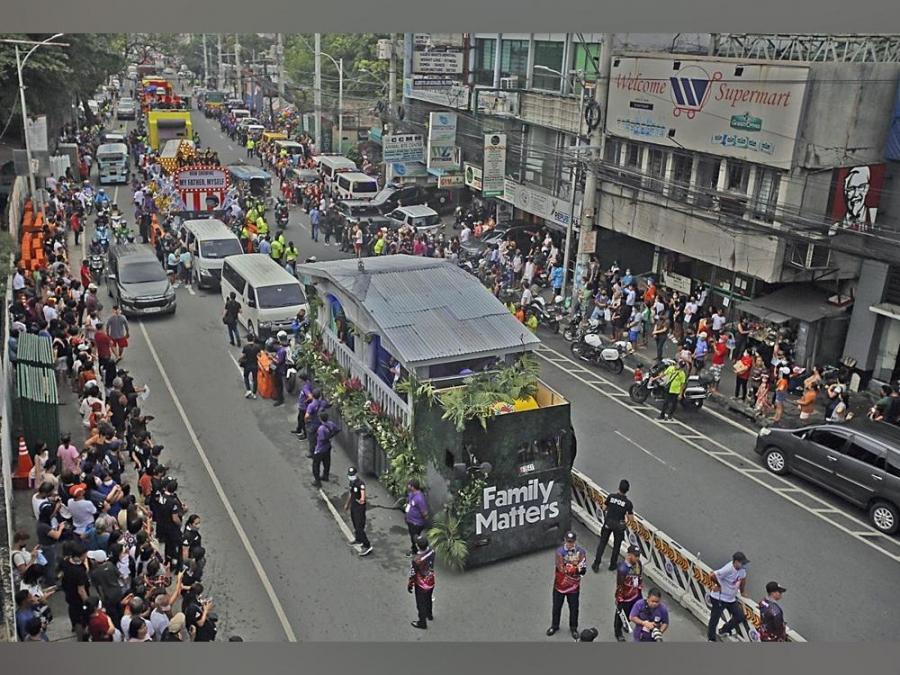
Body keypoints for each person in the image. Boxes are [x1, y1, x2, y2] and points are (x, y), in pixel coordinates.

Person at [547, 531, 587, 640]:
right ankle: (554, 626)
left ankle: (573, 628)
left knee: (574, 608)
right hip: (560, 586)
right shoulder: (559, 552)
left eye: (572, 542)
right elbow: (561, 568)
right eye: (568, 541)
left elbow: (583, 570)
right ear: (565, 540)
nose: (570, 544)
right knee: (556, 607)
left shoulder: (581, 552)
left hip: (574, 587)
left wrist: (573, 568)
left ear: (575, 541)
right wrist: (575, 568)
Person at [592, 479, 634, 572]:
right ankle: (612, 565)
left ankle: (596, 564)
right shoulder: (628, 503)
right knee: (616, 546)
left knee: (602, 543)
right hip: (619, 525)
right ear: (627, 490)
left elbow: (604, 507)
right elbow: (631, 519)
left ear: (618, 487)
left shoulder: (611, 497)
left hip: (608, 522)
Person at [707, 551, 750, 641]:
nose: (743, 565)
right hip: (719, 598)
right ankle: (711, 638)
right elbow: (712, 575)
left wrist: (742, 591)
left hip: (731, 599)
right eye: (742, 563)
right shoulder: (728, 569)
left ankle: (724, 630)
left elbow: (743, 580)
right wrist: (719, 586)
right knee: (714, 619)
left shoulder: (742, 570)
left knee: (740, 616)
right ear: (735, 562)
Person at [613, 545, 643, 641]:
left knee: (633, 613)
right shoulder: (623, 569)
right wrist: (619, 599)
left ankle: (626, 624)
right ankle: (618, 632)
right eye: (635, 556)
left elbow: (639, 577)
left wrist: (639, 590)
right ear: (629, 555)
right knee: (621, 615)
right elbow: (620, 585)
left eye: (638, 555)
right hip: (625, 597)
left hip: (635, 594)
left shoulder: (638, 564)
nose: (637, 558)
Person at [408, 535, 436, 630]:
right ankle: (430, 614)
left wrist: (410, 585)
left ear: (418, 546)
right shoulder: (432, 551)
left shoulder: (416, 560)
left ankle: (422, 622)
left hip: (421, 585)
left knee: (420, 604)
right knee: (428, 598)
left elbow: (413, 574)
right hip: (431, 580)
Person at [344, 467, 372, 556]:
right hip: (354, 506)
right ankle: (358, 539)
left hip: (359, 508)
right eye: (350, 475)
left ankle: (367, 545)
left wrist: (362, 500)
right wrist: (347, 504)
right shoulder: (351, 483)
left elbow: (363, 494)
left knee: (360, 526)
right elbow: (350, 493)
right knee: (355, 524)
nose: (350, 477)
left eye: (352, 475)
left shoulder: (360, 484)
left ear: (355, 475)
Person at [404, 479, 430, 556]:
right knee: (413, 536)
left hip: (416, 523)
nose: (408, 486)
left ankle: (416, 550)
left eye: (409, 485)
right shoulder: (411, 494)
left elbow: (424, 513)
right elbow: (409, 503)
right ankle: (416, 548)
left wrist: (424, 521)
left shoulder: (420, 498)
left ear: (413, 487)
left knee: (414, 537)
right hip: (410, 520)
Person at [312, 412, 338, 487]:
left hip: (320, 449)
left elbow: (322, 439)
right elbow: (337, 430)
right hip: (327, 447)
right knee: (327, 462)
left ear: (320, 419)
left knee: (316, 465)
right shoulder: (331, 424)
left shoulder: (321, 429)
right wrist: (331, 436)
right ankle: (325, 476)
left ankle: (317, 481)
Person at [239, 334, 261, 399]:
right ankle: (254, 393)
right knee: (255, 379)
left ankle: (248, 390)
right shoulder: (257, 347)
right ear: (253, 339)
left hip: (247, 365)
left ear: (247, 339)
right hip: (255, 365)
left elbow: (243, 355)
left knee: (246, 376)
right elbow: (259, 355)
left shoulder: (245, 347)